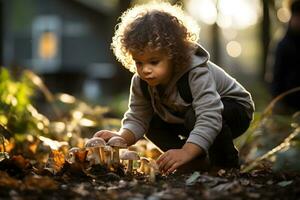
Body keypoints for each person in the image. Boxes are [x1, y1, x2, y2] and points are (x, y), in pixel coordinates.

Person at [94, 1, 255, 174]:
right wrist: (121, 138)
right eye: (139, 62)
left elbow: (210, 115)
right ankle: (196, 162)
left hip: (233, 110)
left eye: (154, 62)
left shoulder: (195, 72)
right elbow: (138, 118)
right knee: (152, 122)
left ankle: (225, 165)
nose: (145, 70)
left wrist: (187, 151)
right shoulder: (141, 82)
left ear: (173, 55)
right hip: (187, 116)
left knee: (196, 116)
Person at [269, 0, 300, 113]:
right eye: (297, 16)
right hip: (288, 105)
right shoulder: (283, 44)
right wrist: (278, 102)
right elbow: (276, 76)